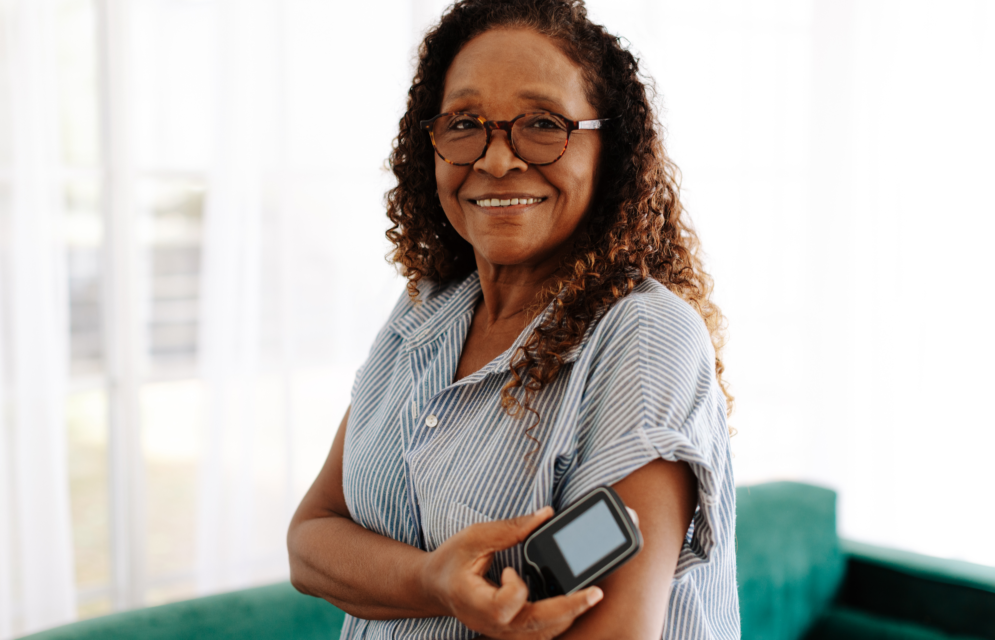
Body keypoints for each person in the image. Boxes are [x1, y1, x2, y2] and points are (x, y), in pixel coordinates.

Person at [287, 1, 738, 638]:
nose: (497, 161)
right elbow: (310, 542)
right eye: (465, 123)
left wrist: (398, 580)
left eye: (543, 124)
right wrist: (434, 581)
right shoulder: (426, 308)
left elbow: (615, 630)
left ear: (610, 150)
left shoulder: (643, 337)